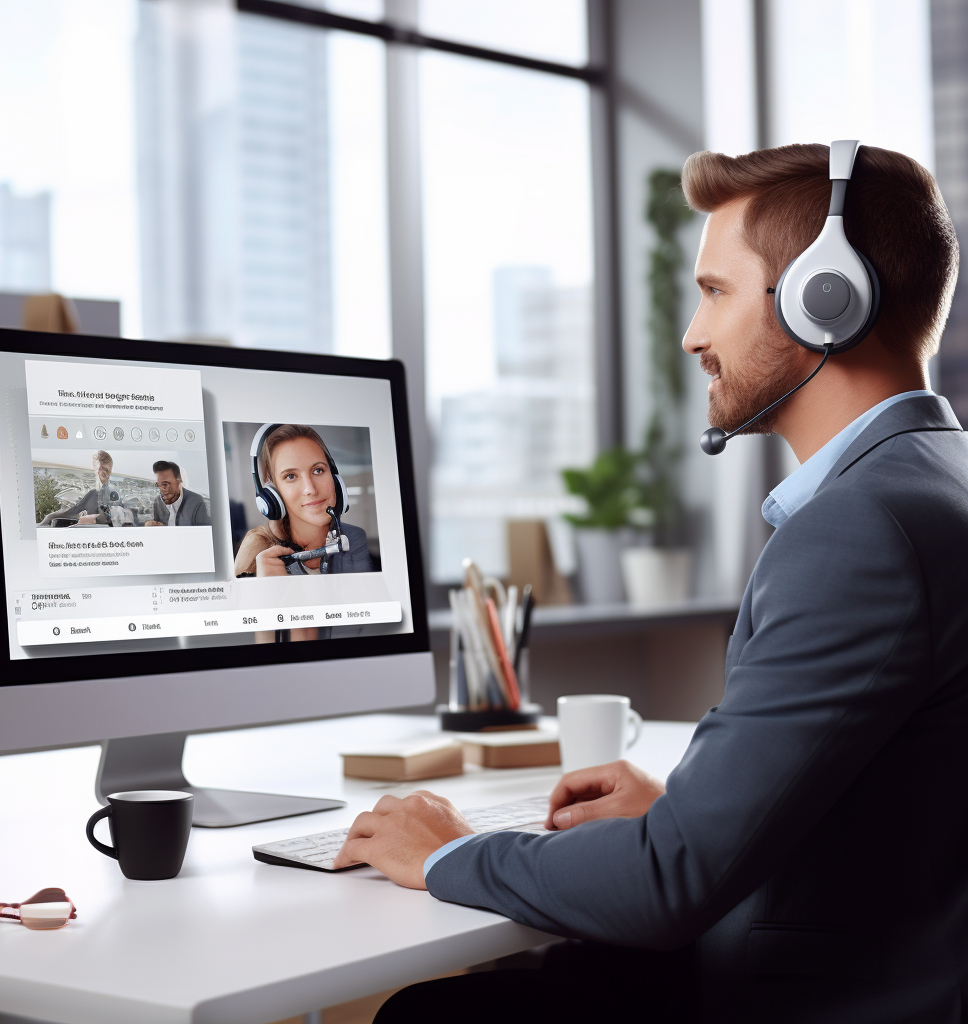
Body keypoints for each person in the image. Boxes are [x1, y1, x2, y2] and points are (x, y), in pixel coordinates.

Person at [335, 144, 968, 1024]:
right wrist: (692, 810)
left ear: (827, 299)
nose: (693, 334)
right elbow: (904, 803)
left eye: (715, 292)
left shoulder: (861, 529)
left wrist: (447, 851)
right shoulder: (936, 483)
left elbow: (668, 885)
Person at [234, 424, 373, 643]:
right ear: (272, 495)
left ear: (335, 478)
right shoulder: (257, 551)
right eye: (290, 476)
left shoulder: (353, 539)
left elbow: (365, 631)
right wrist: (265, 609)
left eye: (318, 470)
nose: (310, 488)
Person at [38, 450, 121, 526]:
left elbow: (117, 518)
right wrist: (49, 517)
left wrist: (95, 519)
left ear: (110, 472)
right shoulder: (93, 494)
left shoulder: (114, 495)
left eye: (106, 470)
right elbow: (72, 511)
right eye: (99, 469)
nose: (102, 473)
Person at [145, 461, 211, 527]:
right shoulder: (158, 501)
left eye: (165, 484)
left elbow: (205, 532)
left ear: (179, 480)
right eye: (158, 485)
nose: (162, 489)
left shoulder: (196, 501)